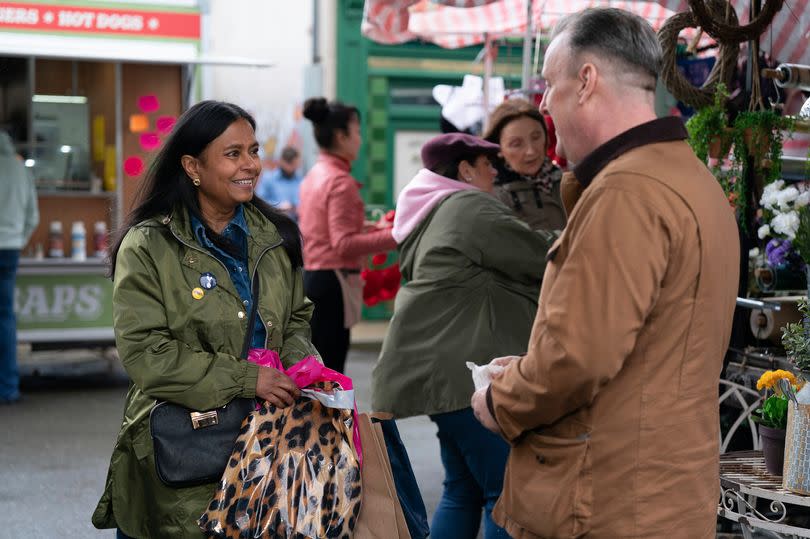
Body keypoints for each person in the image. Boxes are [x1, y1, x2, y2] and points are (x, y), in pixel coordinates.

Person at [470, 8, 740, 538]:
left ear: (587, 80)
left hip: (607, 500)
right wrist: (530, 365)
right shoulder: (691, 177)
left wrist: (499, 400)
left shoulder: (626, 191)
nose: (545, 102)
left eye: (551, 84)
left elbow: (576, 358)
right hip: (662, 492)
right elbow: (642, 346)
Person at [92, 101, 318, 539]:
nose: (250, 165)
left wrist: (303, 370)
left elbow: (295, 321)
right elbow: (146, 355)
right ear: (193, 166)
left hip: (267, 445)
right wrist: (247, 379)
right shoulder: (148, 246)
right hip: (183, 455)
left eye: (253, 151)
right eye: (233, 154)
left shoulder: (277, 238)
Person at [372, 133, 556, 539]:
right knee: (505, 495)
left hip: (442, 372)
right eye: (485, 163)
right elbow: (538, 254)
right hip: (467, 373)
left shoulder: (432, 209)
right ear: (464, 170)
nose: (495, 170)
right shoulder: (469, 207)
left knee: (463, 489)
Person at [298, 97, 396, 374]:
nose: (360, 139)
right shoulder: (340, 181)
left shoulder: (317, 173)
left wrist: (374, 229)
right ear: (341, 136)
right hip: (332, 284)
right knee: (331, 372)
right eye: (357, 132)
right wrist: (396, 235)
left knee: (322, 371)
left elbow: (327, 231)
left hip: (316, 279)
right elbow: (343, 244)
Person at [483, 98, 567, 231]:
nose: (531, 151)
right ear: (498, 149)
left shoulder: (567, 180)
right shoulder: (491, 198)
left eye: (536, 137)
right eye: (516, 144)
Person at [0, 132, 38, 405]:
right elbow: (32, 215)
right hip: (10, 248)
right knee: (5, 317)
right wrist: (18, 239)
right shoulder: (18, 167)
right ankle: (8, 387)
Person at [256, 145, 304, 221]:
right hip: (274, 224)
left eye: (296, 165)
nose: (294, 168)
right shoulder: (268, 179)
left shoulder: (300, 180)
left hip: (296, 225)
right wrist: (278, 207)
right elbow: (259, 203)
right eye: (291, 164)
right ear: (282, 161)